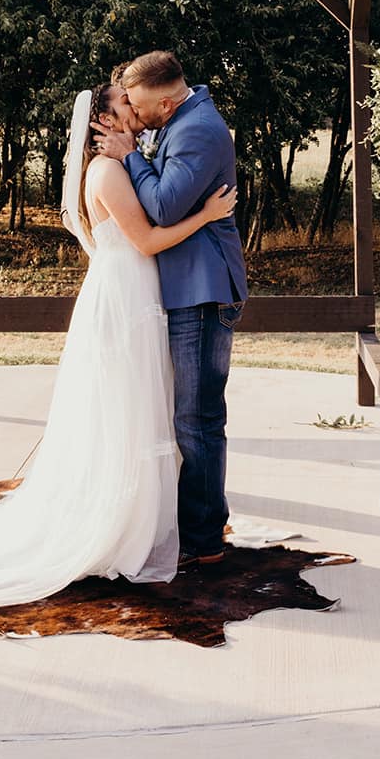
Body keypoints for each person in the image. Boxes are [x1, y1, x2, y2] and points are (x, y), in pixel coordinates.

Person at [0, 80, 237, 605]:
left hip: (131, 295)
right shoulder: (108, 172)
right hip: (124, 301)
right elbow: (149, 239)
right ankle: (118, 528)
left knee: (133, 412)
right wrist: (206, 215)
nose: (132, 110)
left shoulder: (118, 164)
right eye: (122, 106)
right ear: (102, 123)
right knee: (126, 413)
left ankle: (146, 522)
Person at [93, 51, 248, 569]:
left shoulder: (197, 130)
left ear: (164, 100)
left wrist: (131, 155)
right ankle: (207, 518)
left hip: (202, 291)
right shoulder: (181, 120)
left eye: (138, 106)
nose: (135, 117)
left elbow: (161, 207)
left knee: (196, 418)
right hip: (187, 288)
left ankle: (203, 540)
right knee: (192, 416)